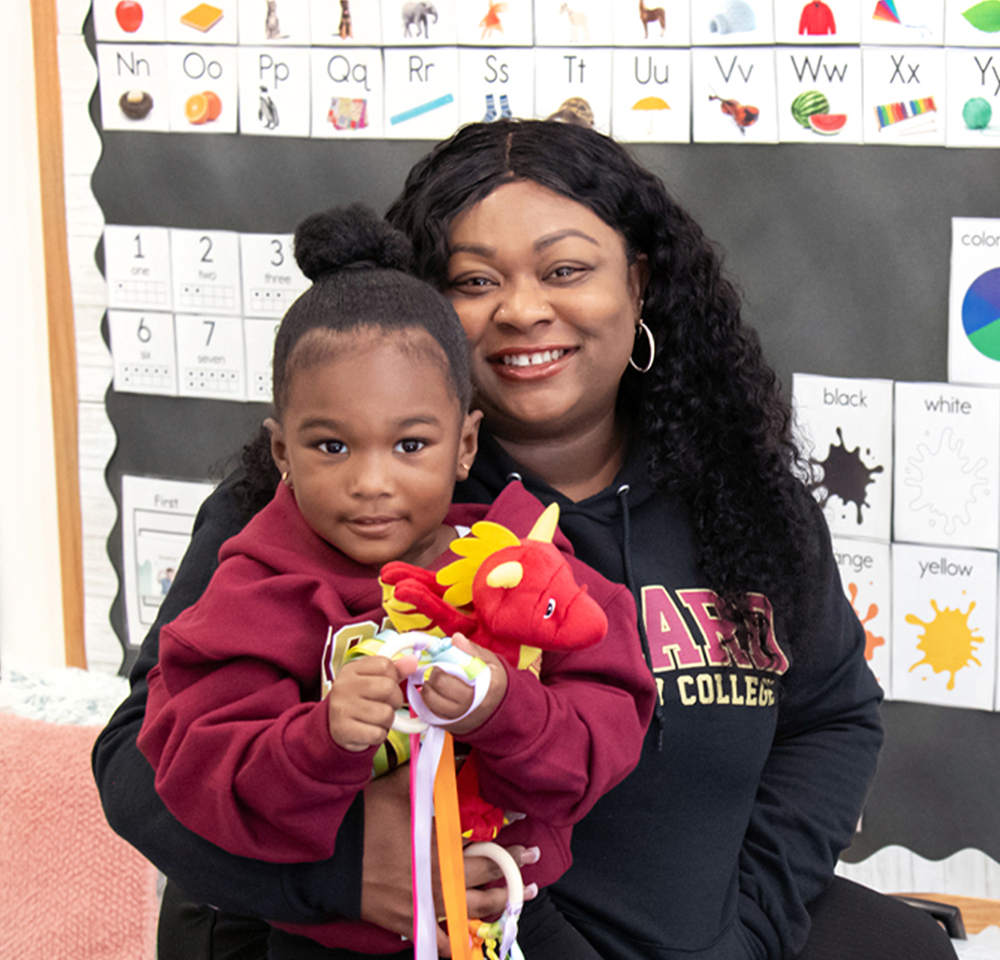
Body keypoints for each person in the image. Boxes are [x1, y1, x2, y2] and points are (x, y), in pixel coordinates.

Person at [94, 119, 958, 960]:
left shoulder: (745, 495)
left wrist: (753, 931)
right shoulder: (336, 506)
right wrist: (345, 877)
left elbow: (829, 721)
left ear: (638, 283)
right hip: (455, 927)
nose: (523, 309)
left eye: (566, 270)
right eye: (473, 281)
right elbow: (139, 760)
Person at [132, 202, 654, 957]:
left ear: (465, 445)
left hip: (510, 922)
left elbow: (602, 735)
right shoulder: (252, 589)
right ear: (281, 454)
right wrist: (320, 738)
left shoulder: (523, 564)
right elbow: (197, 768)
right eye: (332, 446)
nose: (371, 482)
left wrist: (501, 707)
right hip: (332, 940)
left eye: (410, 445)